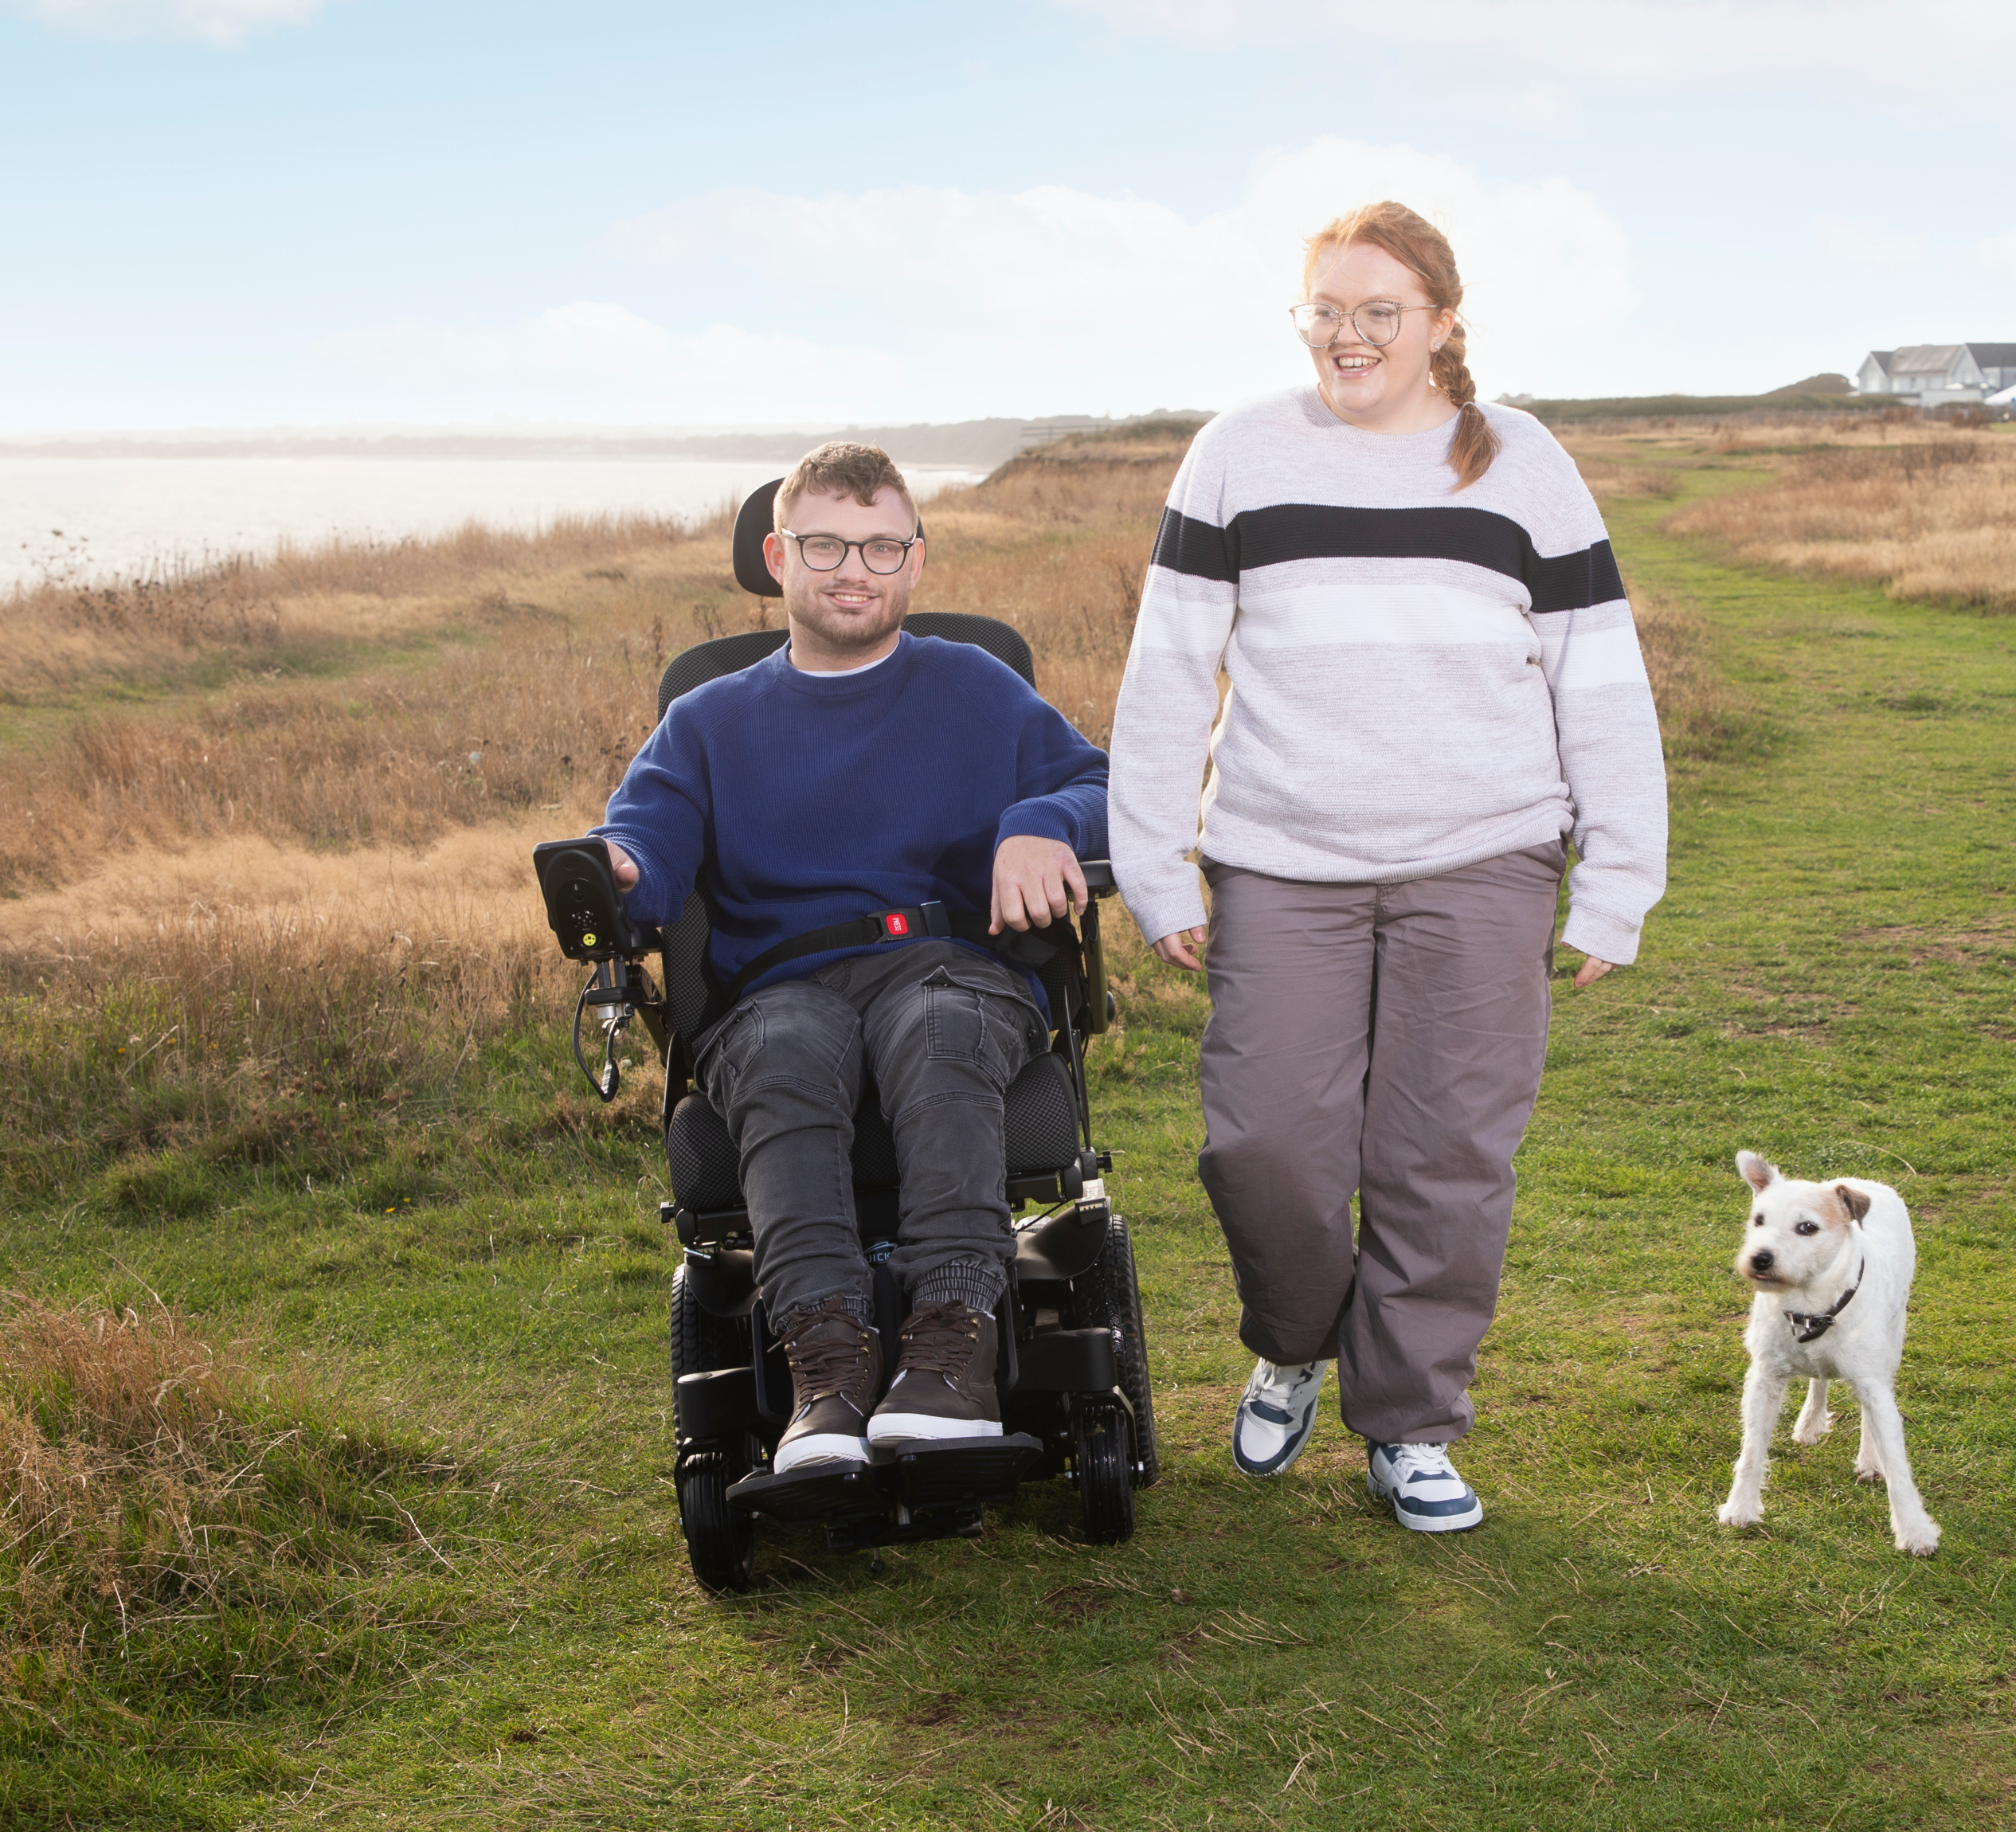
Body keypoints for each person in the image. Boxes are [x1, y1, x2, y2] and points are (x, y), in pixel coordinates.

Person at [1110, 202, 1668, 1533]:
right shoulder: (1238, 454)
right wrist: (1156, 865)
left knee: (1444, 1159)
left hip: (1483, 861)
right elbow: (1170, 672)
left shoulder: (1523, 465)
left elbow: (1600, 676)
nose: (1349, 337)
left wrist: (1617, 878)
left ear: (1441, 326)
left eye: (1381, 312)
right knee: (1265, 1149)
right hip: (1280, 864)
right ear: (1301, 319)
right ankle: (1293, 1342)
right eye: (1327, 311)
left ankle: (1410, 1423)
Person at [594, 441, 1107, 1495]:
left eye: (881, 547)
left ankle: (951, 1356)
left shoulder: (975, 686)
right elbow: (644, 855)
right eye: (826, 544)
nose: (854, 570)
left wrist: (1043, 822)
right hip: (779, 985)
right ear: (780, 555)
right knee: (784, 1045)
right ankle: (827, 1371)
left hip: (945, 962)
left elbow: (1103, 785)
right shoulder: (707, 722)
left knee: (937, 1025)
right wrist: (611, 869)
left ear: (915, 562)